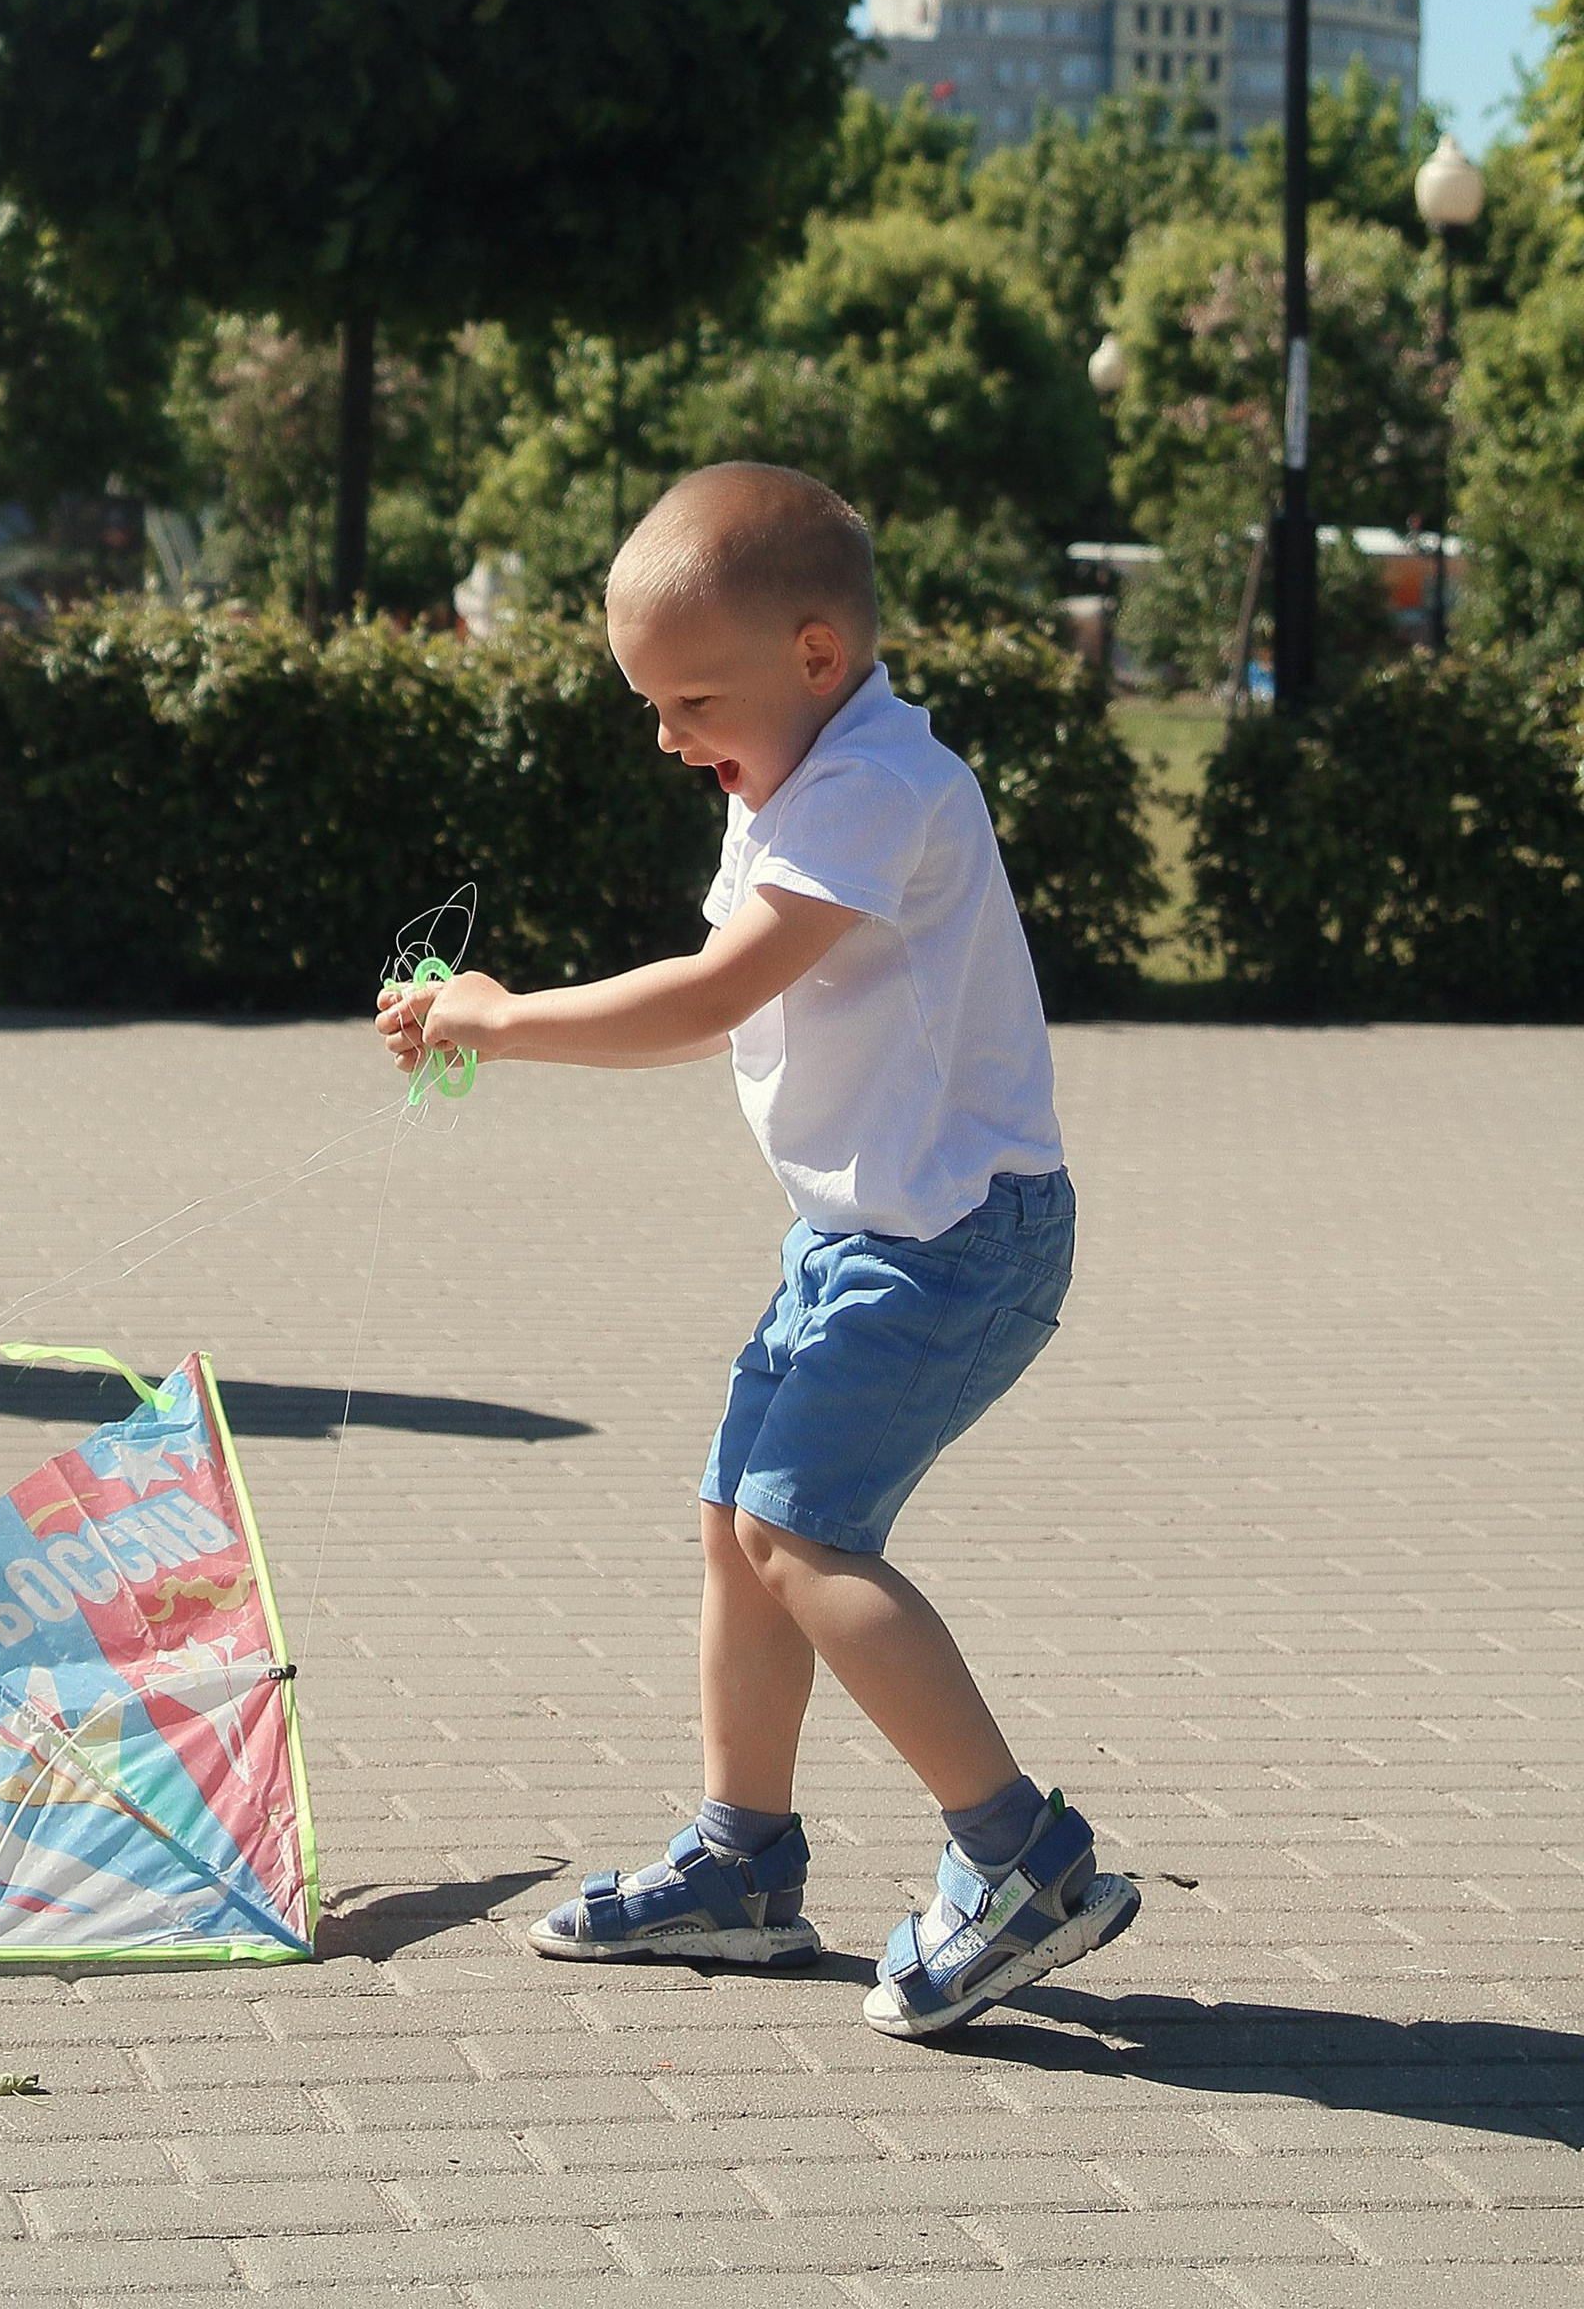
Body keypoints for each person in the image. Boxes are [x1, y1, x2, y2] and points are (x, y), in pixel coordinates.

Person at [379, 460, 1140, 2043]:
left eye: (692, 698)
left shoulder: (874, 785)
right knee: (739, 1524)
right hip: (862, 1234)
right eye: (652, 705)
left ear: (812, 656)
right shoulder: (794, 773)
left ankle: (1027, 1862)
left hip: (954, 1244)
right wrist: (493, 1012)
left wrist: (501, 1019)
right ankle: (743, 1868)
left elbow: (716, 994)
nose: (671, 738)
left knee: (803, 1537)